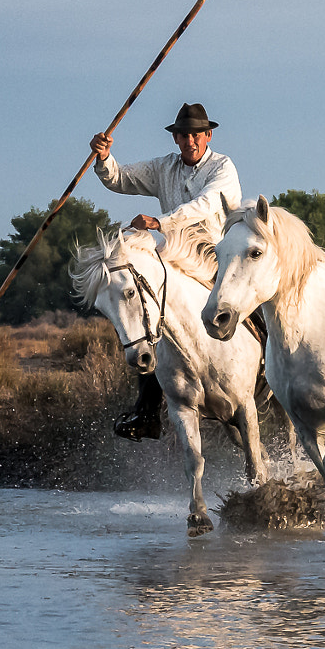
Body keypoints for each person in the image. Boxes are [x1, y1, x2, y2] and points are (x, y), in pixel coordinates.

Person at [88, 102, 242, 441]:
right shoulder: (163, 168)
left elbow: (206, 203)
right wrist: (103, 159)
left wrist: (161, 221)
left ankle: (274, 372)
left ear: (208, 135)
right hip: (176, 259)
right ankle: (146, 411)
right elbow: (120, 179)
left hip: (216, 258)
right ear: (176, 139)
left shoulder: (223, 167)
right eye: (183, 135)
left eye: (196, 135)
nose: (190, 141)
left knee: (253, 301)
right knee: (150, 319)